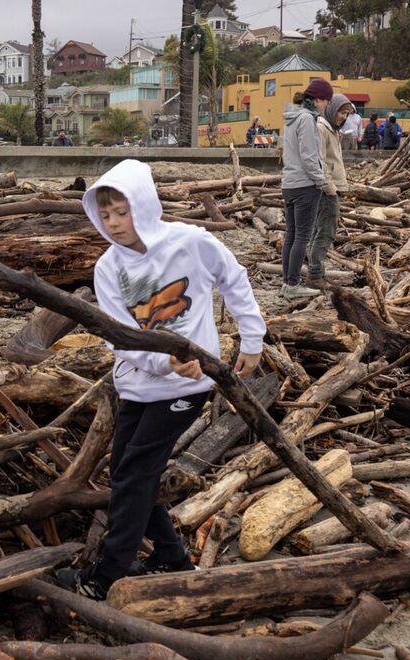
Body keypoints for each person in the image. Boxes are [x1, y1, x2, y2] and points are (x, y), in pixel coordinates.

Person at [55, 159, 266, 600]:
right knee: (128, 474)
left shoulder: (190, 243)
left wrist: (252, 339)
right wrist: (162, 362)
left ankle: (108, 575)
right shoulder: (108, 268)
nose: (113, 224)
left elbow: (235, 280)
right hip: (139, 383)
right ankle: (171, 555)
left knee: (133, 475)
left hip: (186, 387)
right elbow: (119, 336)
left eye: (121, 212)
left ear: (144, 206)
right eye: (105, 215)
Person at [280, 78, 333, 300]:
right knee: (302, 235)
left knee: (291, 234)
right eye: (326, 101)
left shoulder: (291, 118)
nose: (326, 106)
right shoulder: (307, 120)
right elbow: (310, 156)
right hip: (304, 185)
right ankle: (292, 284)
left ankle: (287, 282)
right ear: (318, 99)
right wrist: (321, 181)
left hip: (289, 184)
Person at [308, 94, 352, 291]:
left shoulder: (332, 130)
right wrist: (330, 189)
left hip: (332, 187)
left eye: (346, 114)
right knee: (325, 231)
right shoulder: (321, 128)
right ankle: (315, 275)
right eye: (342, 112)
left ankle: (318, 272)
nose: (343, 117)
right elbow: (320, 161)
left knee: (320, 229)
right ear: (332, 109)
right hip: (327, 190)